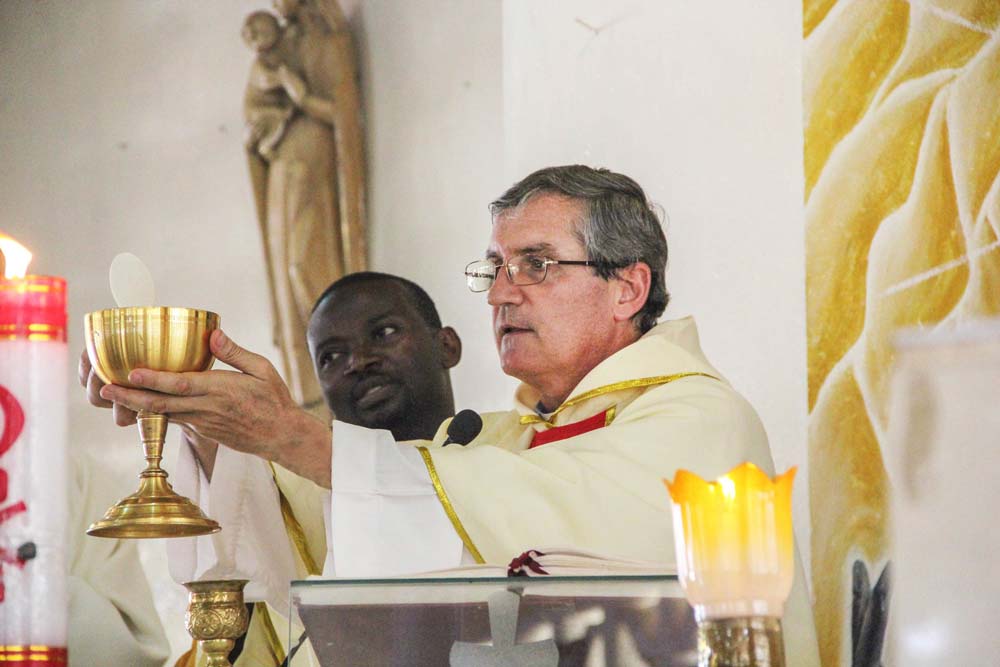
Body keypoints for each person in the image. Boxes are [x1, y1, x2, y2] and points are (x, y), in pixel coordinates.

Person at [90, 165, 820, 664]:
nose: (502, 292)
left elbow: (538, 512)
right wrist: (203, 417)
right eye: (494, 268)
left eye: (536, 263)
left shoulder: (700, 417)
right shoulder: (508, 437)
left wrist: (291, 433)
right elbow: (333, 525)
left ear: (628, 286)